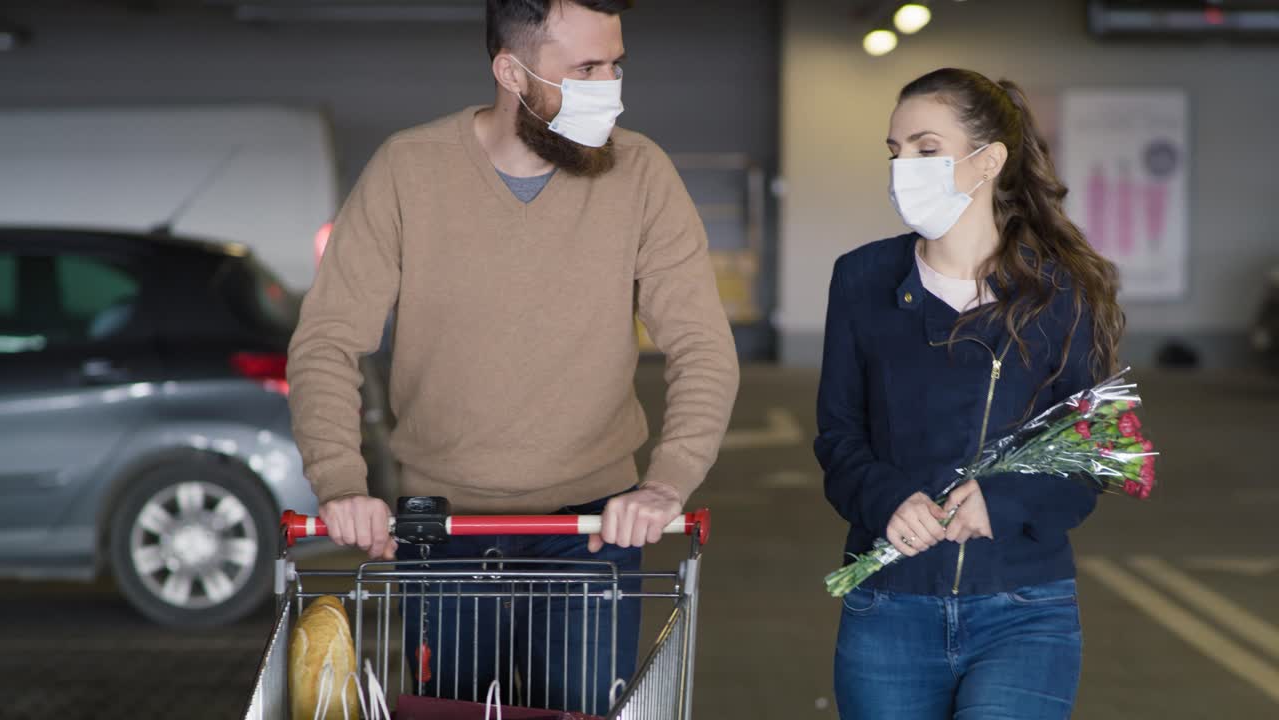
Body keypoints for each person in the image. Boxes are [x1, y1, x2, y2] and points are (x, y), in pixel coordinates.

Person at [286, 0, 739, 711]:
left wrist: (667, 484)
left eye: (615, 64)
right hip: (443, 525)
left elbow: (702, 347)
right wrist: (341, 480)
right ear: (511, 71)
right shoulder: (409, 169)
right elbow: (327, 340)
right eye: (587, 68)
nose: (610, 87)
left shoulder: (642, 173)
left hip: (595, 529)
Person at [815, 68, 1125, 720]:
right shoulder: (862, 279)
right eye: (896, 152)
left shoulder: (1062, 290)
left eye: (926, 149)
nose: (904, 169)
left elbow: (1098, 443)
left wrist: (1007, 498)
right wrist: (887, 498)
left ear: (987, 162)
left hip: (1024, 608)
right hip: (888, 602)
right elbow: (838, 435)